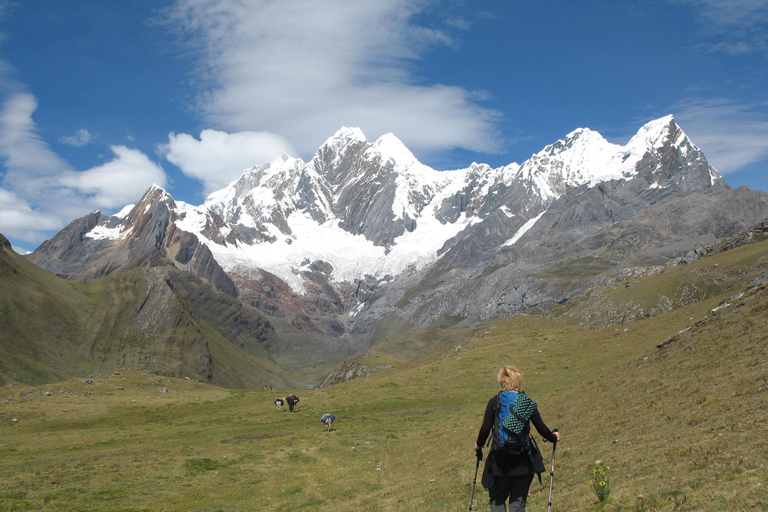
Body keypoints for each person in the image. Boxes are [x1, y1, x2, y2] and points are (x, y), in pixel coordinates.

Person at [474, 366, 561, 512]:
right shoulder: (525, 402)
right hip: (523, 460)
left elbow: (484, 430)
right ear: (519, 382)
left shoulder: (494, 403)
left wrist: (479, 445)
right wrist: (553, 437)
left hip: (499, 460)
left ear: (502, 382)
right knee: (518, 502)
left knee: (497, 499)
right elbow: (542, 429)